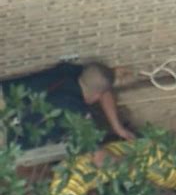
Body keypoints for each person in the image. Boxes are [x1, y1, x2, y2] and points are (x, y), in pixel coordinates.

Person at [0, 61, 135, 154]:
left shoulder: (69, 71)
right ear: (97, 96)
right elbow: (99, 158)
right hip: (6, 131)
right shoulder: (77, 114)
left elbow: (102, 85)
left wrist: (118, 127)